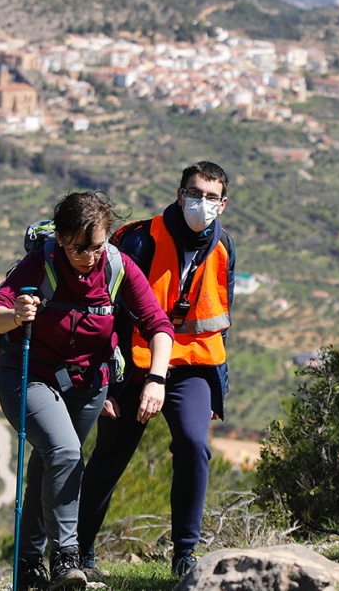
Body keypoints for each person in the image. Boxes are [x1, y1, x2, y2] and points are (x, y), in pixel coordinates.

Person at [0, 191, 174, 591]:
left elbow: (158, 324)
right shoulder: (42, 262)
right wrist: (15, 313)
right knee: (66, 452)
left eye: (97, 246)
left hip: (88, 384)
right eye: (79, 248)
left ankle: (29, 560)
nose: (89, 257)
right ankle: (66, 557)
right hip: (27, 374)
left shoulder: (118, 267)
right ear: (62, 239)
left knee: (51, 463)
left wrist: (156, 379)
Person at [77, 161, 235, 579]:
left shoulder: (223, 249)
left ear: (223, 204)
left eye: (210, 197)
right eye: (193, 193)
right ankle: (79, 554)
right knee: (110, 457)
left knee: (193, 446)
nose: (200, 203)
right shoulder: (139, 241)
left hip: (192, 366)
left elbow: (220, 318)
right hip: (132, 363)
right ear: (180, 194)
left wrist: (215, 391)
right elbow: (103, 312)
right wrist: (106, 384)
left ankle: (185, 555)